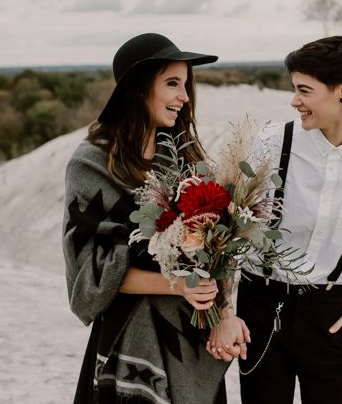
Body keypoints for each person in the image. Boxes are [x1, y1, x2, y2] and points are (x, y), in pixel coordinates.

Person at [211, 35, 342, 403]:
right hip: (261, 305)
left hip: (331, 313)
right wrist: (224, 310)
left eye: (304, 90)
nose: (294, 101)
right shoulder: (273, 141)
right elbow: (233, 227)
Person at [63, 32, 244, 404]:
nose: (185, 96)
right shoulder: (92, 164)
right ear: (138, 87)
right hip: (131, 335)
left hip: (190, 337)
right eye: (173, 83)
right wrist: (179, 285)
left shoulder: (187, 160)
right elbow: (89, 274)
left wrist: (224, 313)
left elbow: (219, 250)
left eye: (186, 85)